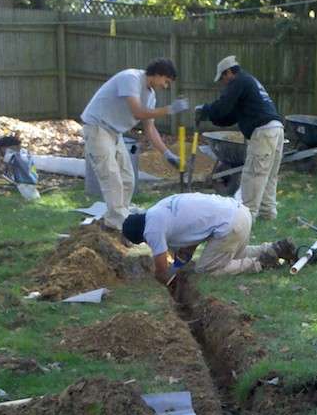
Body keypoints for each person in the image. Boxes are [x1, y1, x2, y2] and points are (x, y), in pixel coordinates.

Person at [81, 59, 189, 230]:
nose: (166, 86)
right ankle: (119, 224)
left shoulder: (151, 96)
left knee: (128, 179)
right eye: (166, 81)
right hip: (97, 128)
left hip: (115, 133)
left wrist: (168, 155)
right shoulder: (131, 78)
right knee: (111, 177)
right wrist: (169, 110)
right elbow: (138, 112)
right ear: (159, 74)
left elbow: (150, 129)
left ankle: (118, 218)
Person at [121, 192, 295, 285]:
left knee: (206, 268)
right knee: (235, 256)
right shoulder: (159, 208)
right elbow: (195, 229)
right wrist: (184, 256)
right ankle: (274, 249)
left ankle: (262, 263)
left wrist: (166, 283)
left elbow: (160, 270)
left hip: (229, 224)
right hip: (239, 212)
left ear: (141, 236)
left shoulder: (152, 229)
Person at [195, 55, 284, 221]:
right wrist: (211, 117)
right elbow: (229, 116)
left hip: (263, 131)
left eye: (222, 78)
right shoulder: (249, 82)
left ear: (229, 72)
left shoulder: (239, 81)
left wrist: (205, 110)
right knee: (269, 174)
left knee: (254, 174)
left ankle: (247, 217)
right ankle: (267, 213)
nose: (223, 83)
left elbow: (222, 106)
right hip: (276, 129)